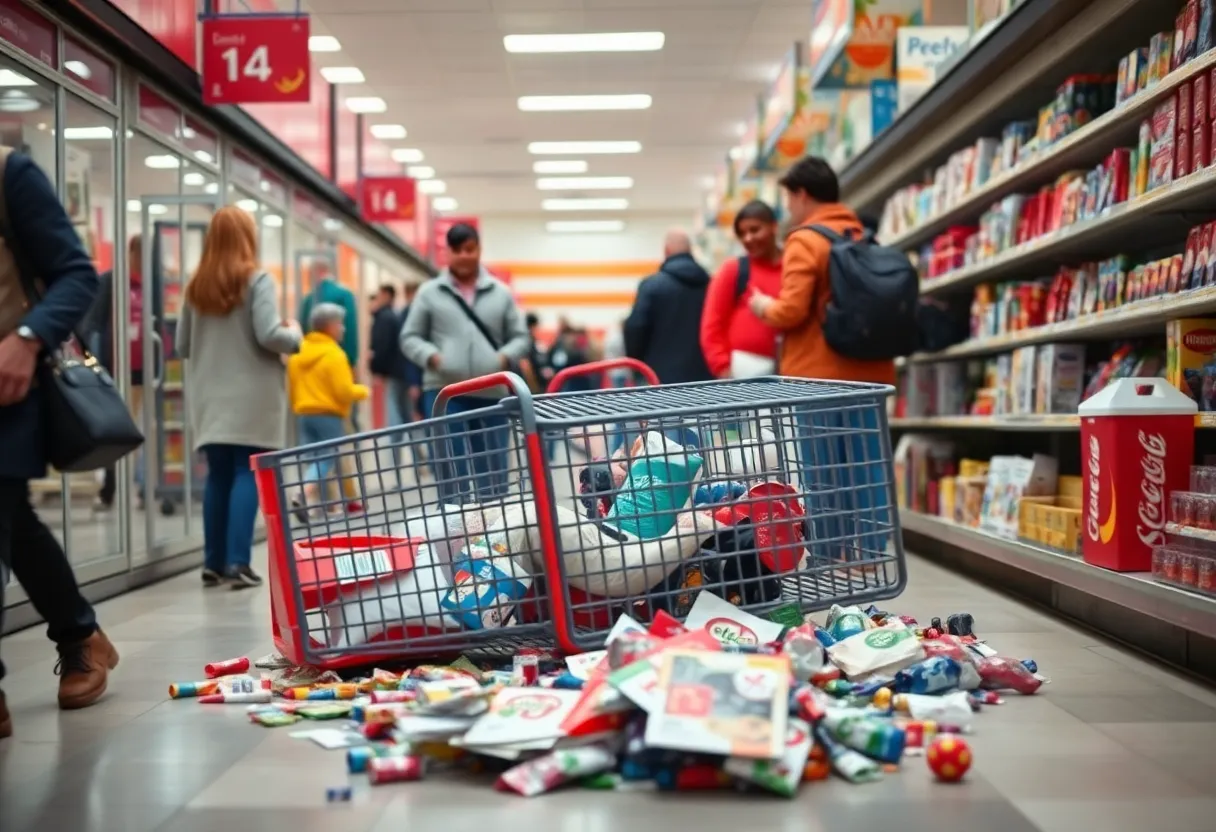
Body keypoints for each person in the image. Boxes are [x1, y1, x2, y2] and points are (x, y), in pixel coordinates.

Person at [0, 150, 117, 737]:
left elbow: (76, 273)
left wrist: (27, 337)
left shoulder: (8, 175)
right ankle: (79, 634)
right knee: (13, 524)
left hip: (6, 390)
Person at [747, 156, 895, 564]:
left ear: (802, 194)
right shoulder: (860, 231)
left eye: (789, 199)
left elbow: (791, 311)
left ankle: (829, 555)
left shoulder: (805, 239)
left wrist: (762, 306)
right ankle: (870, 555)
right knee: (868, 466)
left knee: (823, 471)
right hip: (870, 374)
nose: (788, 209)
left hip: (819, 377)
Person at [178, 205, 301, 589]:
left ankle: (213, 563)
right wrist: (293, 333)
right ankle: (238, 562)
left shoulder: (195, 286)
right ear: (248, 238)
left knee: (217, 475)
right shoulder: (257, 280)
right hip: (252, 397)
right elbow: (268, 334)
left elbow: (182, 343)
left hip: (209, 397)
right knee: (247, 473)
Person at [400, 222, 529, 500]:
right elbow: (410, 337)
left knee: (493, 469)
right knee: (450, 466)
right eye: (457, 250)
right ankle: (454, 524)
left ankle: (493, 526)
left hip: (492, 392)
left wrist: (502, 357)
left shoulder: (500, 292)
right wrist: (432, 357)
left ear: (479, 250)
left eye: (469, 249)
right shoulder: (429, 293)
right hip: (445, 393)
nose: (464, 256)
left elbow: (520, 338)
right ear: (447, 253)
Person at [82, 234, 155, 511]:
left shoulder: (151, 285)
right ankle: (110, 488)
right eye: (138, 254)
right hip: (116, 370)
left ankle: (144, 487)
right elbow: (93, 323)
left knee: (144, 432)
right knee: (118, 430)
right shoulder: (112, 282)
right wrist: (92, 366)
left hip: (145, 372)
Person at [288, 303, 368, 518]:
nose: (343, 329)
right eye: (340, 324)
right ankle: (303, 493)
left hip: (303, 413)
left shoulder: (298, 352)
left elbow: (292, 387)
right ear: (330, 326)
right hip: (328, 414)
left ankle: (322, 505)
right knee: (328, 458)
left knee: (315, 458)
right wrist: (362, 391)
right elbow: (343, 392)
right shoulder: (334, 354)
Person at [699, 200, 783, 379]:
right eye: (742, 233)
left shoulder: (793, 268)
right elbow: (712, 325)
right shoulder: (734, 270)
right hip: (742, 377)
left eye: (755, 230)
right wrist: (722, 369)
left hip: (792, 372)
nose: (748, 239)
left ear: (774, 226)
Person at [623, 229, 714, 384]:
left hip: (659, 381)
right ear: (690, 251)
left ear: (666, 250)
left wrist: (637, 369)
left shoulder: (651, 286)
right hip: (705, 380)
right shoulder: (711, 285)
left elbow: (635, 328)